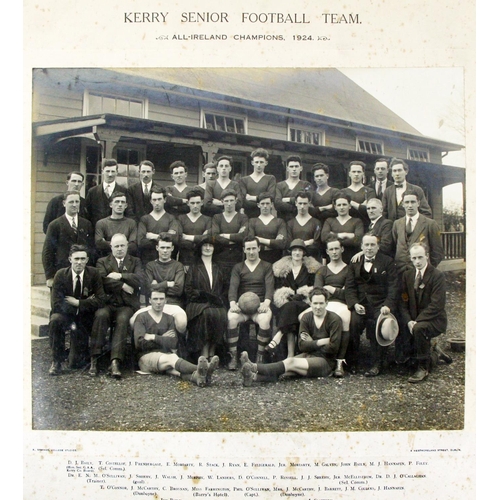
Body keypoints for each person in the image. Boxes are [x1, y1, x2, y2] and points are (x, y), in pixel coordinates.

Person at [240, 287, 343, 386]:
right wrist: (321, 342)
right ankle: (253, 377)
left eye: (321, 303)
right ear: (310, 303)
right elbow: (302, 345)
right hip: (307, 355)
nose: (318, 307)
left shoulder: (334, 320)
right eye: (315, 303)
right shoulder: (306, 317)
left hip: (325, 362)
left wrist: (311, 343)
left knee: (290, 362)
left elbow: (333, 348)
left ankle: (253, 366)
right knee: (285, 369)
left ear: (327, 303)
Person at [133, 290, 219, 387]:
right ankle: (205, 368)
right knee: (172, 358)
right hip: (146, 358)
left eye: (161, 299)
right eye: (155, 299)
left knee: (177, 371)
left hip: (165, 356)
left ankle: (199, 378)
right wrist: (163, 339)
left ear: (165, 301)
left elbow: (173, 343)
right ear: (150, 300)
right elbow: (139, 343)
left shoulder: (169, 318)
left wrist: (154, 337)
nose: (158, 302)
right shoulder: (141, 317)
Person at [344, 234, 398, 376]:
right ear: (361, 247)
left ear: (378, 247)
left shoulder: (387, 262)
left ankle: (377, 363)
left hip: (380, 305)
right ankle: (353, 362)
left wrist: (387, 305)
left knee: (377, 324)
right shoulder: (355, 263)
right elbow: (349, 287)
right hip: (361, 304)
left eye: (372, 245)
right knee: (353, 324)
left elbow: (393, 287)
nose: (369, 248)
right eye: (366, 245)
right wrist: (354, 304)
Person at [48, 244, 105, 375]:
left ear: (87, 260)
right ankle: (56, 361)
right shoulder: (61, 274)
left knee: (75, 363)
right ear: (70, 259)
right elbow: (56, 303)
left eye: (82, 259)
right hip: (66, 316)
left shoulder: (94, 273)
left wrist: (78, 303)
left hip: (85, 318)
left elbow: (101, 300)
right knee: (55, 319)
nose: (79, 262)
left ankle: (88, 357)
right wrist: (86, 303)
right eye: (76, 259)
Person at [91, 234, 143, 378]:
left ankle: (115, 361)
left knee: (123, 320)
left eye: (122, 246)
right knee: (100, 315)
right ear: (111, 247)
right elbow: (102, 280)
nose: (119, 249)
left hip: (126, 304)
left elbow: (140, 279)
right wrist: (123, 285)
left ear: (127, 246)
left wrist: (120, 276)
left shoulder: (135, 261)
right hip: (107, 303)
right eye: (116, 246)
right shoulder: (102, 261)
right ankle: (94, 358)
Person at [399, 242, 448, 383]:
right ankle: (434, 354)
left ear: (427, 256)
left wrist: (417, 321)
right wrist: (408, 320)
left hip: (434, 319)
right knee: (406, 363)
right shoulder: (407, 275)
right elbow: (403, 301)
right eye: (413, 258)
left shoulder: (437, 275)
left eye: (420, 257)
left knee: (419, 328)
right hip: (413, 320)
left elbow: (437, 305)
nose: (417, 261)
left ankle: (423, 368)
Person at [266, 239, 321, 359]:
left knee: (290, 309)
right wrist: (287, 295)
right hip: (286, 303)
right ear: (290, 252)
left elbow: (314, 288)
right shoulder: (282, 269)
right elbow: (278, 288)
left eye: (300, 250)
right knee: (289, 309)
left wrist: (302, 294)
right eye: (294, 250)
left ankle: (278, 337)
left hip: (304, 303)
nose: (297, 253)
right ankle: (290, 354)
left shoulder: (310, 269)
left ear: (304, 253)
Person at [305, 237, 351, 377]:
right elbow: (317, 291)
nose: (334, 252)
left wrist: (332, 289)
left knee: (345, 317)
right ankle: (310, 353)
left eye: (337, 248)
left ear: (342, 249)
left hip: (342, 304)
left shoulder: (349, 270)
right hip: (324, 303)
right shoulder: (322, 270)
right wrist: (336, 291)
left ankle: (339, 360)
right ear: (327, 252)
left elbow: (349, 293)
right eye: (331, 249)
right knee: (303, 316)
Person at [227, 237, 274, 368]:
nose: (251, 251)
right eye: (248, 249)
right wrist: (233, 304)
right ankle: (233, 356)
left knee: (264, 320)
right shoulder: (238, 267)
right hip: (242, 306)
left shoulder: (267, 266)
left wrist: (266, 303)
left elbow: (270, 287)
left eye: (254, 248)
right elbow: (233, 288)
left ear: (259, 248)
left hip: (259, 306)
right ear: (244, 250)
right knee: (231, 318)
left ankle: (260, 357)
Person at [184, 241, 228, 361]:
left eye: (210, 246)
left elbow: (225, 288)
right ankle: (203, 353)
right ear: (200, 248)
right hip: (197, 303)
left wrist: (218, 299)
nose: (207, 248)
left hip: (216, 303)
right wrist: (203, 295)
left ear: (214, 248)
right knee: (205, 314)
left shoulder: (219, 267)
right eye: (205, 245)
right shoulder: (194, 267)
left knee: (221, 314)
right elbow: (188, 289)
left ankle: (212, 351)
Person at [42, 191, 95, 288]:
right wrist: (49, 277)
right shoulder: (55, 225)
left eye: (77, 202)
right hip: (61, 272)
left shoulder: (86, 224)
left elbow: (91, 249)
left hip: (82, 272)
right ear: (64, 203)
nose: (74, 205)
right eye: (71, 202)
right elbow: (47, 251)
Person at [392, 191, 444, 275]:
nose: (410, 205)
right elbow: (394, 246)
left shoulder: (430, 224)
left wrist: (427, 268)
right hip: (400, 272)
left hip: (421, 273)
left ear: (418, 203)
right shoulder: (397, 224)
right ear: (403, 204)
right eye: (407, 202)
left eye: (413, 202)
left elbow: (437, 252)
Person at [211, 188, 249, 280]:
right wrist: (233, 240)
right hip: (220, 256)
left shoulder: (242, 217)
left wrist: (225, 235)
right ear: (222, 202)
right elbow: (214, 236)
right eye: (226, 201)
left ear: (236, 201)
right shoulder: (217, 217)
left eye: (231, 200)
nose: (229, 204)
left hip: (237, 257)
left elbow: (243, 236)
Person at [137, 186, 179, 265]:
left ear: (165, 200)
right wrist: (165, 237)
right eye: (154, 200)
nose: (157, 202)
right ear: (150, 201)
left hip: (167, 263)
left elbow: (174, 240)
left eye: (159, 199)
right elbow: (141, 242)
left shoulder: (171, 218)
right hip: (148, 262)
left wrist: (154, 236)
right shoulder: (144, 219)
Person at [321, 192, 364, 264]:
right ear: (335, 207)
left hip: (352, 259)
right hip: (333, 261)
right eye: (339, 205)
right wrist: (346, 235)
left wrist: (333, 236)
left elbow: (358, 240)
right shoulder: (329, 221)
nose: (341, 207)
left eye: (344, 204)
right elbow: (324, 237)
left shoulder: (357, 221)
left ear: (349, 206)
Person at [144, 233, 185, 306]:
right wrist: (167, 284)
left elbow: (178, 290)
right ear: (157, 248)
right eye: (162, 247)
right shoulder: (150, 266)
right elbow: (148, 289)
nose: (165, 251)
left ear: (172, 248)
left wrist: (157, 286)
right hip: (154, 304)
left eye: (168, 248)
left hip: (173, 303)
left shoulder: (178, 266)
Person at [85, 159, 127, 228]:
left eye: (113, 171)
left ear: (117, 172)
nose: (110, 174)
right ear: (102, 171)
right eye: (107, 171)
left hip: (117, 230)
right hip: (96, 231)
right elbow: (87, 214)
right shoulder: (92, 192)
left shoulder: (124, 191)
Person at [247, 192, 287, 263]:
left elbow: (282, 244)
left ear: (271, 205)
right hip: (258, 259)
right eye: (262, 204)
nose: (265, 206)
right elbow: (251, 242)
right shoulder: (252, 221)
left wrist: (260, 240)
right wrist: (273, 244)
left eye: (267, 203)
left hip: (275, 259)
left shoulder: (279, 222)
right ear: (258, 205)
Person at [94, 192, 138, 258]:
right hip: (106, 260)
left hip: (126, 259)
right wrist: (124, 245)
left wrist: (107, 243)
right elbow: (99, 244)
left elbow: (133, 246)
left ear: (126, 206)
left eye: (122, 202)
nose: (120, 204)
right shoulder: (101, 223)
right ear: (111, 205)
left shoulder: (131, 223)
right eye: (117, 202)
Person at [177, 188, 212, 269]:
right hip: (184, 260)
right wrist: (199, 238)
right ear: (188, 203)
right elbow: (179, 239)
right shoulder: (181, 218)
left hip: (201, 260)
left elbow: (207, 239)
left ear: (202, 203)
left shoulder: (208, 219)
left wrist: (188, 237)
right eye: (192, 203)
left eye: (197, 203)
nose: (195, 206)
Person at [286, 190, 322, 262]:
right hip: (294, 261)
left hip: (312, 260)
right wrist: (307, 243)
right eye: (300, 203)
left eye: (305, 203)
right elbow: (289, 244)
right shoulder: (290, 223)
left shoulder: (316, 223)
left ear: (309, 204)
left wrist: (296, 245)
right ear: (296, 203)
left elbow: (316, 244)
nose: (302, 206)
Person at [240, 148, 277, 218]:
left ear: (266, 163)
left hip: (266, 217)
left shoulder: (270, 179)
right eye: (256, 162)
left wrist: (252, 198)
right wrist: (263, 200)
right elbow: (243, 201)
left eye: (261, 162)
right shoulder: (244, 180)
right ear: (252, 163)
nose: (259, 165)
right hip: (248, 216)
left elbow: (271, 196)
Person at [275, 155, 313, 221]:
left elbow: (306, 201)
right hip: (283, 223)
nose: (294, 169)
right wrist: (295, 207)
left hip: (301, 222)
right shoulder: (279, 185)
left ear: (301, 168)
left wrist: (288, 200)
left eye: (296, 166)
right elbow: (277, 203)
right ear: (287, 168)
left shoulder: (306, 185)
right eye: (291, 166)